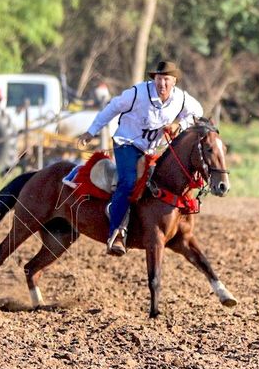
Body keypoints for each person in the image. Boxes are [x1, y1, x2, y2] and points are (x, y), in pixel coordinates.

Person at [75, 61, 203, 256]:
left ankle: (149, 225)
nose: (162, 84)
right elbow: (113, 108)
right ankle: (116, 232)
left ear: (174, 81)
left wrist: (180, 124)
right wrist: (92, 131)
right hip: (127, 143)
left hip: (151, 149)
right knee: (127, 181)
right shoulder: (137, 93)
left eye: (166, 80)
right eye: (159, 79)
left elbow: (198, 111)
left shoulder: (181, 99)